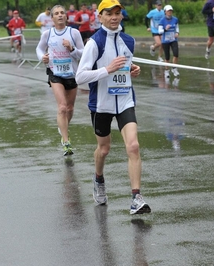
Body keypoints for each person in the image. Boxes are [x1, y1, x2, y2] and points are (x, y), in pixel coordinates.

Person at [76, 0, 151, 215]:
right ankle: (99, 179)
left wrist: (132, 69)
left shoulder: (129, 40)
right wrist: (106, 70)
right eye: (109, 13)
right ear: (100, 17)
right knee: (104, 149)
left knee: (133, 146)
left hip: (126, 100)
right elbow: (80, 76)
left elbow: (125, 66)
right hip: (101, 104)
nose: (114, 17)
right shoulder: (94, 43)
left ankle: (136, 198)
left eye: (117, 13)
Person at [36, 5, 84, 156]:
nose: (60, 15)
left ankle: (62, 126)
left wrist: (72, 49)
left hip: (72, 74)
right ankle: (66, 142)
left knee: (69, 108)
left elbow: (82, 54)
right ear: (52, 18)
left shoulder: (74, 33)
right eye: (56, 13)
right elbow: (39, 49)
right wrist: (42, 57)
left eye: (62, 13)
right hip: (55, 73)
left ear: (66, 16)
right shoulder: (47, 34)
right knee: (62, 107)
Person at [158, 5, 180, 79]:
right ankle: (166, 70)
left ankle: (174, 68)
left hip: (173, 39)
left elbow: (177, 27)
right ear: (165, 12)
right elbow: (159, 31)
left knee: (176, 54)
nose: (170, 12)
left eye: (171, 11)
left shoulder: (175, 19)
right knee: (167, 57)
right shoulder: (162, 20)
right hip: (165, 40)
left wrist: (177, 33)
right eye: (168, 11)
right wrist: (165, 29)